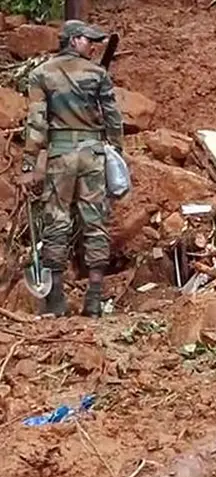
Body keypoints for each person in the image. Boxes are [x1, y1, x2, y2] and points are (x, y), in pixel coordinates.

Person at [19, 21, 123, 318]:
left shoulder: (42, 74)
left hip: (61, 155)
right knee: (95, 219)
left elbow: (37, 122)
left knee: (57, 219)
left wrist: (29, 162)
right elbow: (113, 117)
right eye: (88, 40)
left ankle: (56, 300)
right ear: (73, 40)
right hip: (92, 154)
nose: (92, 46)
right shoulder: (97, 74)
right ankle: (94, 297)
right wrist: (116, 150)